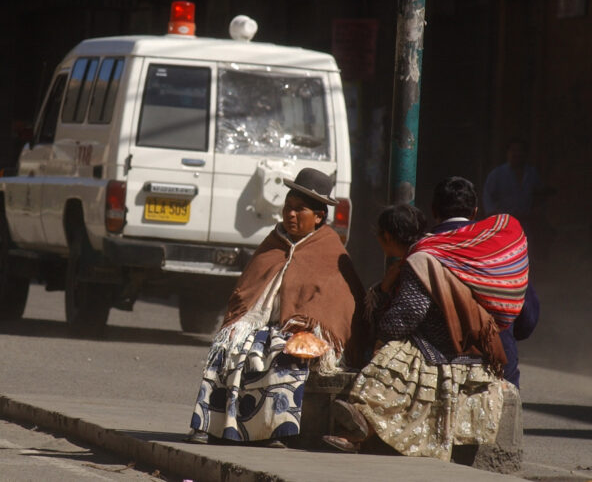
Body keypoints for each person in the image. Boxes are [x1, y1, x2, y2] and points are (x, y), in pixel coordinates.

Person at [323, 190, 527, 461]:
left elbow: (409, 313)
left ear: (387, 238)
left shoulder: (420, 260)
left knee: (390, 361)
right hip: (470, 348)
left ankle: (363, 420)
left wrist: (382, 333)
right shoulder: (448, 251)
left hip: (442, 348)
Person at [186, 167, 367, 447]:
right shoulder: (273, 243)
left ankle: (274, 431)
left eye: (300, 210)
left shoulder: (331, 251)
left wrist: (309, 328)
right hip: (258, 323)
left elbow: (339, 303)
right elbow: (246, 293)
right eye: (288, 208)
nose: (290, 215)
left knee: (281, 352)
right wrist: (241, 325)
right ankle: (208, 426)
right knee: (230, 347)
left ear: (319, 217)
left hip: (300, 330)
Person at [429, 176, 539, 388]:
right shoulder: (502, 248)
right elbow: (527, 319)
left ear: (434, 211)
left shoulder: (422, 252)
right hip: (499, 374)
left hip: (437, 377)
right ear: (474, 212)